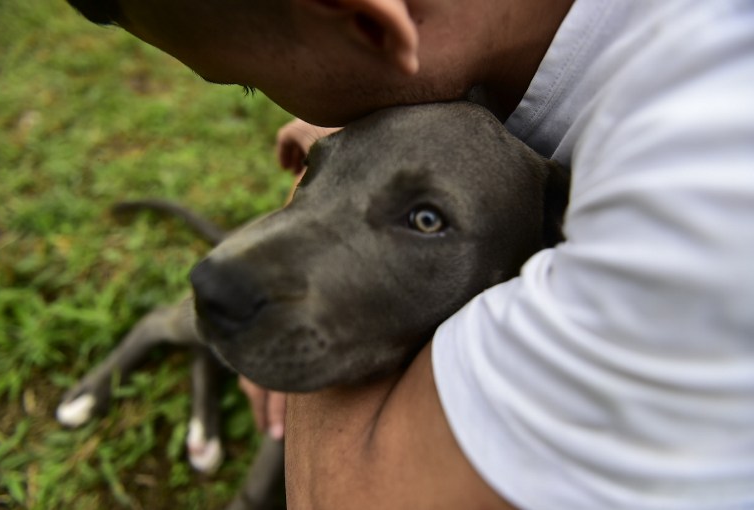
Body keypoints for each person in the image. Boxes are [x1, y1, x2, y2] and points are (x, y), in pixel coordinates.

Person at [65, 1, 754, 508]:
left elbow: (343, 494)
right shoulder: (513, 59)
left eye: (248, 82)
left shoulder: (710, 173)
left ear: (369, 23)